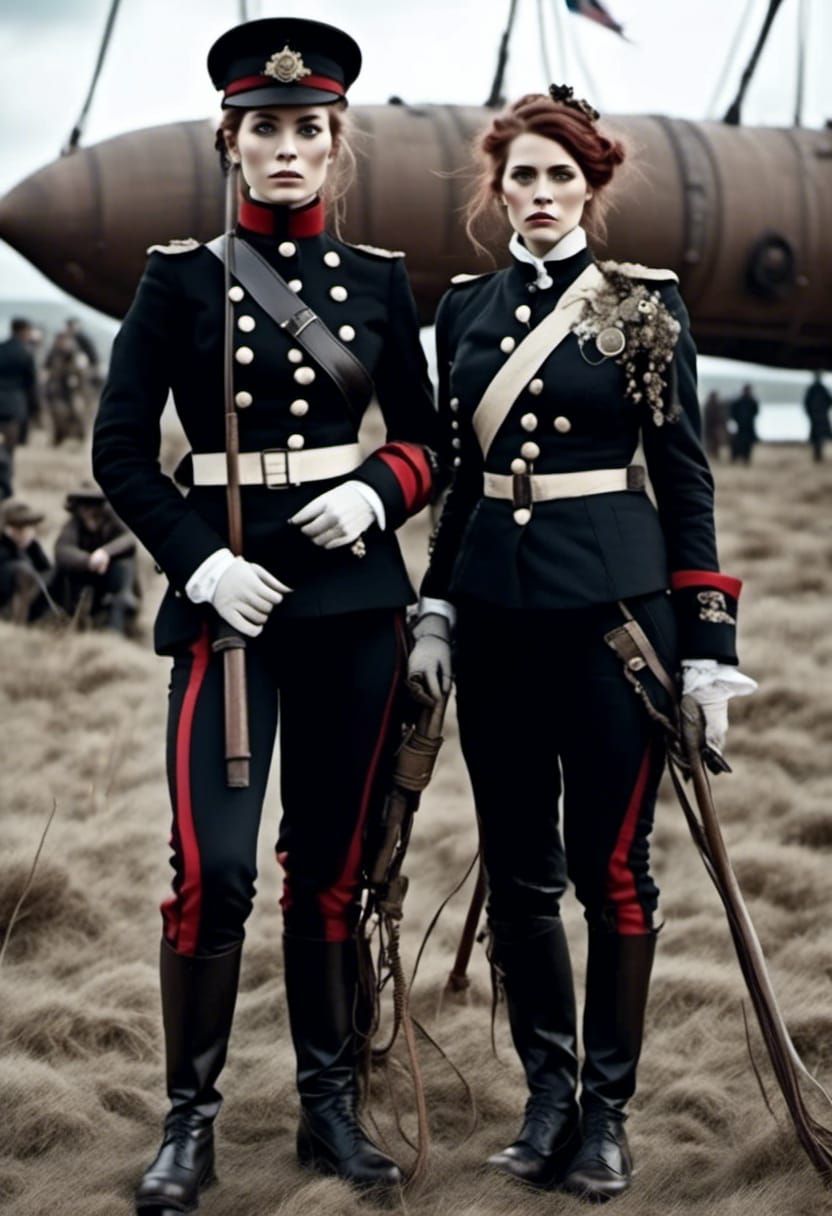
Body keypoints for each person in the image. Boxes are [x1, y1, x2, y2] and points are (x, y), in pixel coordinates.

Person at [93, 17, 438, 1212]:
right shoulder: (178, 275)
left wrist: (376, 488)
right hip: (229, 604)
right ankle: (188, 1122)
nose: (285, 148)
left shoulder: (383, 280)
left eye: (308, 130)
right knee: (214, 873)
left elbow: (426, 439)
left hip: (350, 606)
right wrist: (195, 566)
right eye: (263, 130)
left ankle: (327, 1109)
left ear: (335, 145)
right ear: (229, 142)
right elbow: (121, 449)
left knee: (329, 874)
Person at [407, 86, 756, 1202]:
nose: (543, 194)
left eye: (563, 177)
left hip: (614, 621)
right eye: (524, 177)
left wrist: (706, 645)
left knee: (612, 869)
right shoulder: (463, 309)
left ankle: (606, 1112)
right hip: (497, 623)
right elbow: (459, 479)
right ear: (497, 188)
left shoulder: (644, 306)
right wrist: (435, 608)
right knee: (518, 873)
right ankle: (545, 1092)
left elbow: (684, 476)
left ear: (590, 187)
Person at [53, 483, 139, 633]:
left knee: (124, 570)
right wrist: (88, 561)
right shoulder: (73, 525)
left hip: (113, 577)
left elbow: (130, 539)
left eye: (93, 507)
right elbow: (62, 550)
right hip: (83, 576)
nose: (89, 512)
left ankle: (116, 631)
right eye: (84, 508)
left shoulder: (113, 519)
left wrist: (105, 552)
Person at [0, 499, 55, 624]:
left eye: (28, 527)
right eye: (20, 528)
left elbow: (46, 569)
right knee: (22, 571)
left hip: (32, 604)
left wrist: (30, 546)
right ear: (8, 529)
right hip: (5, 600)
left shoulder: (30, 546)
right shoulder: (4, 547)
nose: (26, 532)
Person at [0, 318, 40, 470]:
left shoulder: (1, 348)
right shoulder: (25, 353)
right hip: (14, 406)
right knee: (9, 448)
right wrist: (36, 409)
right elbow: (31, 385)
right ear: (24, 331)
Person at [44, 330, 86, 444]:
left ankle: (79, 437)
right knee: (56, 415)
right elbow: (47, 368)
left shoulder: (74, 354)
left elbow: (81, 372)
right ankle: (58, 438)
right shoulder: (53, 353)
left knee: (76, 413)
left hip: (72, 390)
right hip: (57, 389)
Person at [803, 371, 831, 462]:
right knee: (818, 437)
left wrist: (810, 413)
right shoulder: (818, 389)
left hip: (817, 416)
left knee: (818, 437)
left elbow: (829, 401)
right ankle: (817, 455)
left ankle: (818, 455)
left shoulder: (817, 389)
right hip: (818, 416)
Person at [729, 383, 759, 464]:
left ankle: (746, 460)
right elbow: (733, 413)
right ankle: (736, 459)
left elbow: (755, 412)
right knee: (738, 444)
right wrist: (738, 421)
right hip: (740, 428)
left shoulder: (752, 402)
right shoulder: (738, 402)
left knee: (748, 446)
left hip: (749, 428)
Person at [702, 389, 728, 460]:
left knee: (716, 443)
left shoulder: (719, 405)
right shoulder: (708, 405)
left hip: (716, 427)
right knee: (710, 442)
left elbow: (722, 417)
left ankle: (715, 455)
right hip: (710, 427)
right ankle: (711, 455)